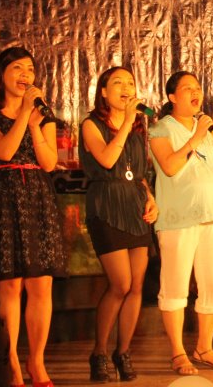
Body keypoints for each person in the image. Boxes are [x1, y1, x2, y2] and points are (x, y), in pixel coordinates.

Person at [0, 46, 66, 387]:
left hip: (37, 197)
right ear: (2, 73)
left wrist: (37, 126)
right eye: (17, 68)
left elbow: (49, 163)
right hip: (4, 198)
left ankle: (36, 362)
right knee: (10, 284)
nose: (26, 75)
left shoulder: (43, 115)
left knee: (41, 283)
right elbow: (5, 150)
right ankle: (10, 362)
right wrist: (24, 113)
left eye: (30, 69)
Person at [149, 71, 213, 375]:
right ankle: (178, 352)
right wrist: (196, 136)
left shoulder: (208, 131)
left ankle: (204, 347)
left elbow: (206, 165)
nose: (195, 92)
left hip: (211, 214)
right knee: (175, 283)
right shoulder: (160, 128)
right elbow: (170, 167)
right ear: (172, 97)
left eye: (198, 88)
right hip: (179, 217)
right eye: (187, 88)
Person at [79, 66, 158, 382]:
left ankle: (122, 352)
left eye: (130, 83)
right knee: (121, 283)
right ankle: (99, 351)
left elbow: (138, 173)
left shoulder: (138, 127)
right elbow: (108, 160)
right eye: (118, 82)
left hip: (134, 205)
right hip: (106, 204)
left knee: (137, 285)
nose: (126, 88)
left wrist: (150, 198)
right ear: (103, 91)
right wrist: (125, 123)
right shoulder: (91, 124)